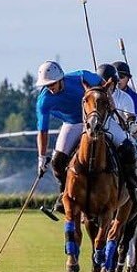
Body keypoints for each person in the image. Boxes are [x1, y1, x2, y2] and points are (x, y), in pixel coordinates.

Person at [94, 63, 137, 223]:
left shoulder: (126, 98)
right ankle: (67, 194)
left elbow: (133, 124)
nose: (106, 84)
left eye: (110, 81)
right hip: (97, 135)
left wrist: (133, 125)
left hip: (121, 137)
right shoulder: (95, 94)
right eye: (102, 81)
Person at [34, 60, 101, 200]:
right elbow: (43, 131)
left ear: (60, 79)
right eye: (46, 85)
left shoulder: (82, 77)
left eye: (52, 84)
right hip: (72, 123)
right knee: (57, 162)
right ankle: (65, 194)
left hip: (97, 120)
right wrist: (41, 157)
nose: (50, 88)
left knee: (123, 147)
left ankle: (135, 189)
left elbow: (104, 86)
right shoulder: (43, 101)